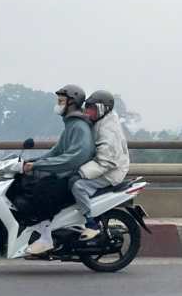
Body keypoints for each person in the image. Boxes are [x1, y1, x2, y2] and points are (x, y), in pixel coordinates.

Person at [20, 84, 95, 254]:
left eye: (61, 101)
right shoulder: (70, 125)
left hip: (73, 175)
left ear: (71, 103)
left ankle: (46, 238)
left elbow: (74, 158)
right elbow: (56, 151)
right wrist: (32, 161)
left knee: (42, 191)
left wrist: (38, 165)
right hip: (67, 173)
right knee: (28, 184)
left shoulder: (79, 127)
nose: (58, 105)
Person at [72, 89, 131, 239]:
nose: (87, 112)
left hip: (111, 172)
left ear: (102, 109)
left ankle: (91, 223)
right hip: (103, 167)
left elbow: (106, 161)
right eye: (87, 107)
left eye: (91, 108)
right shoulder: (100, 121)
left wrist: (81, 172)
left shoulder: (108, 129)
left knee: (78, 186)